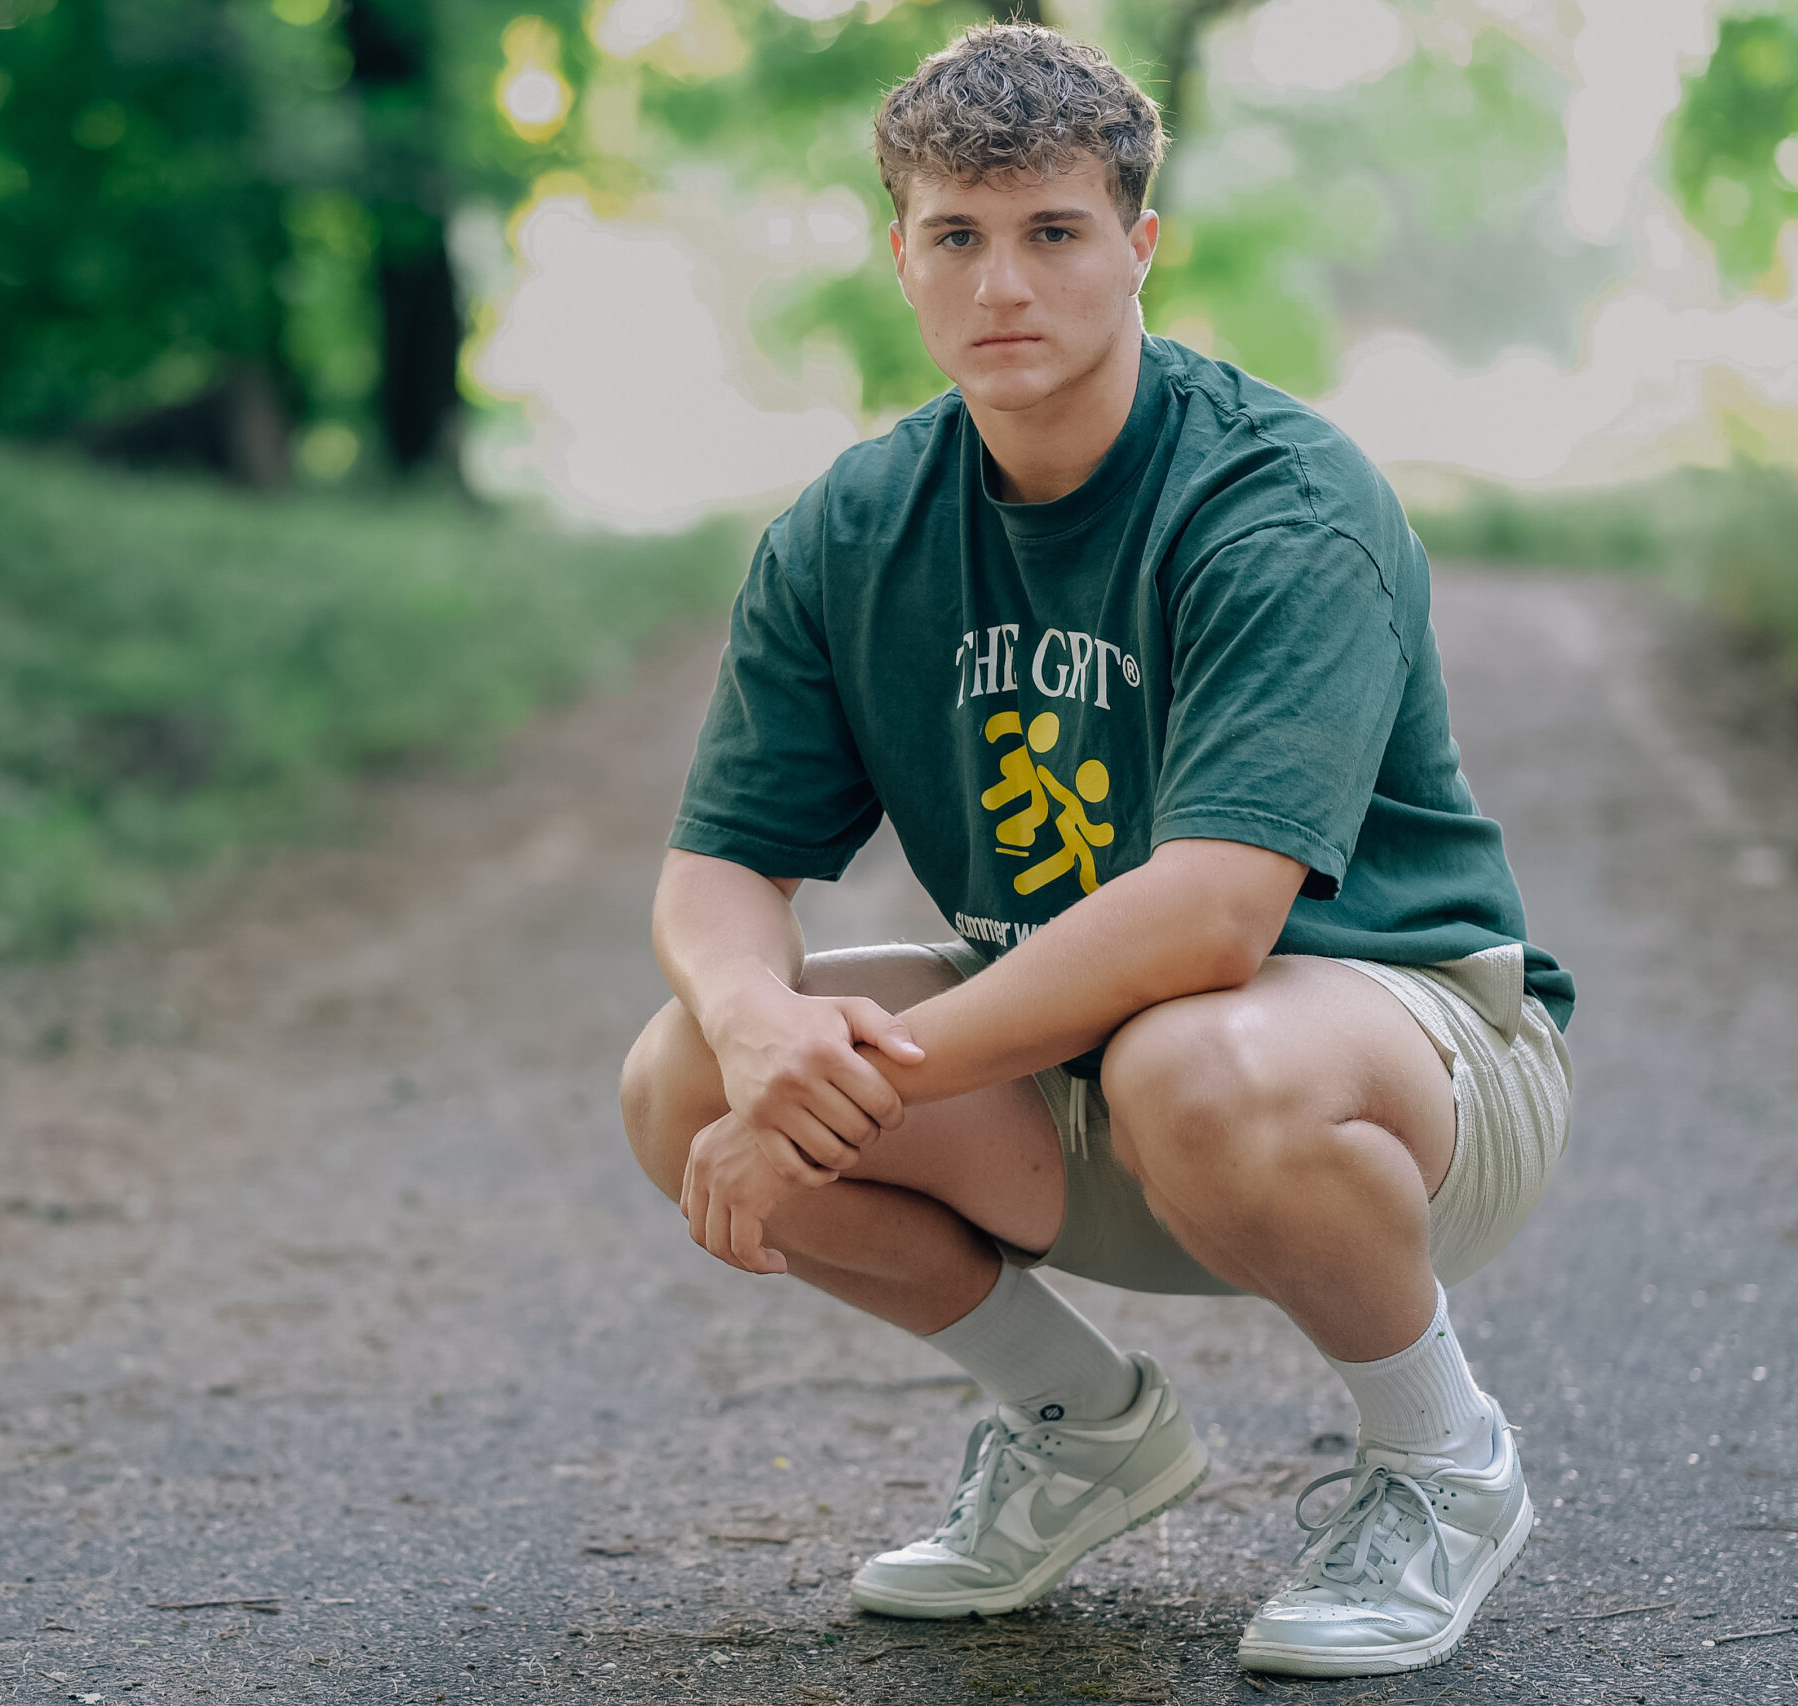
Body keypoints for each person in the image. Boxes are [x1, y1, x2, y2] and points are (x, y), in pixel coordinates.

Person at [617, 23, 1574, 1681]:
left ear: (1140, 245)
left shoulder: (1278, 499)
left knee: (1196, 1055)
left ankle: (1444, 1459)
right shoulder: (853, 528)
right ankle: (1081, 1427)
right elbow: (721, 870)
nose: (1004, 283)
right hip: (1075, 1071)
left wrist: (850, 1084)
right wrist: (762, 1034)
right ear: (901, 257)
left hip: (1396, 1071)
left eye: (1054, 231)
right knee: (684, 1071)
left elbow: (1211, 919)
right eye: (957, 235)